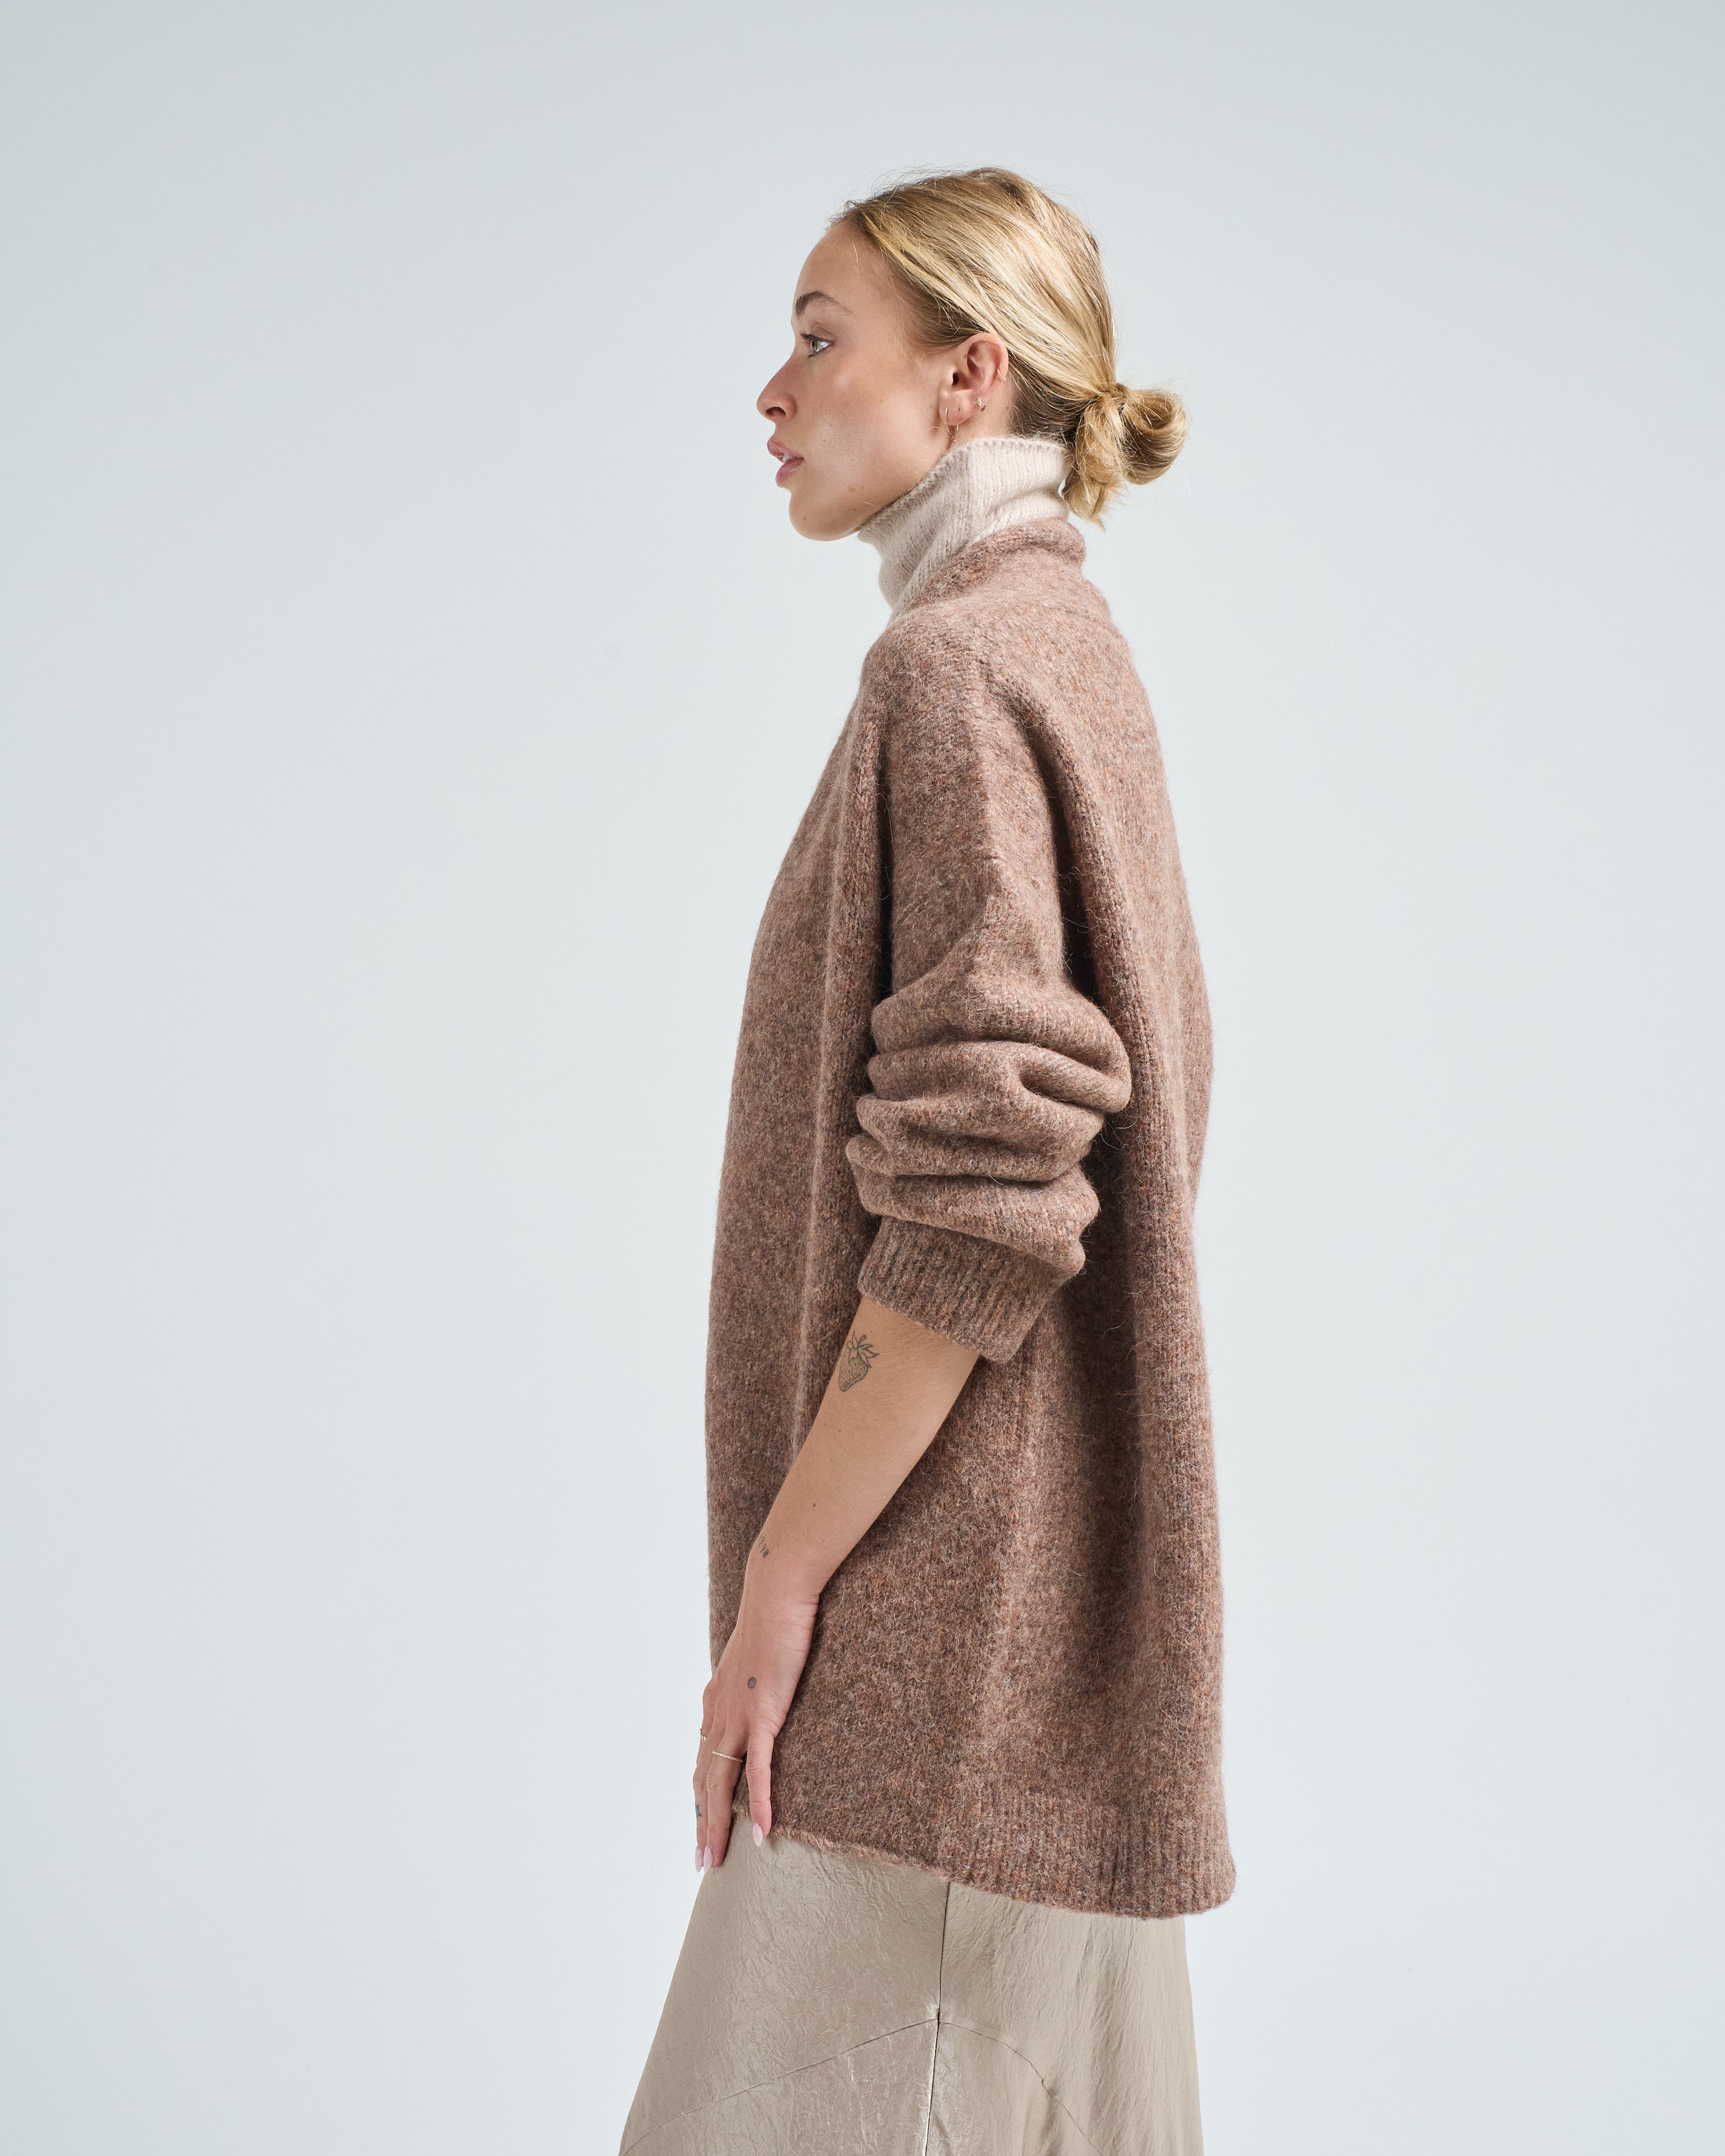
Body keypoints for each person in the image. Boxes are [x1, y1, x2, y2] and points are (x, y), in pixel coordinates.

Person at [620, 168, 1232, 2155]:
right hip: (1049, 1660)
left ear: (968, 378)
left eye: (821, 337)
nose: (774, 389)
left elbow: (986, 1201)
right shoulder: (1071, 647)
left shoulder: (953, 671)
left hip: (935, 1667)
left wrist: (782, 1588)